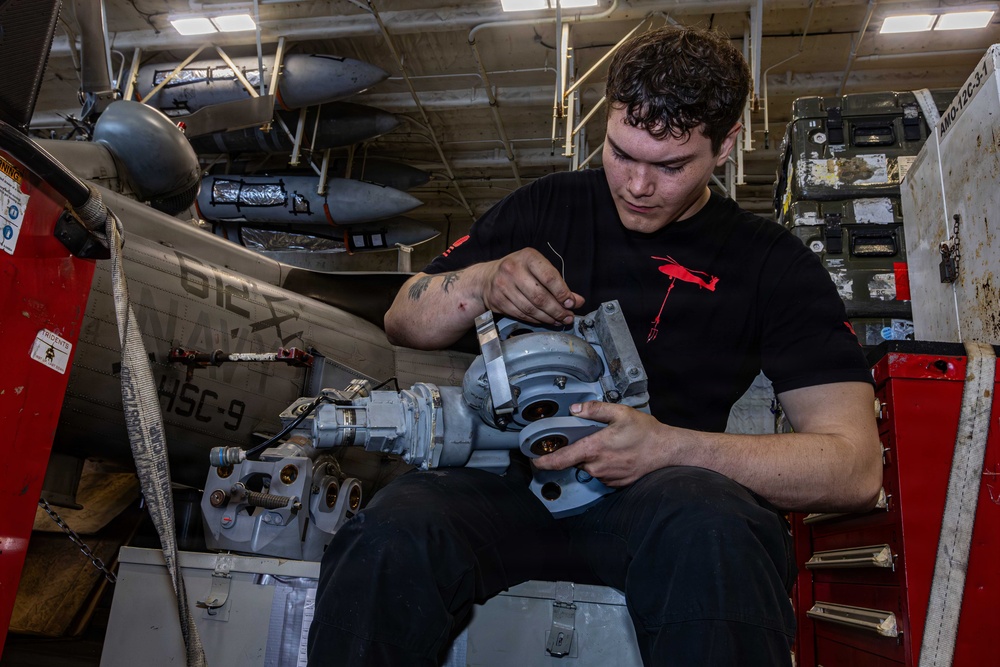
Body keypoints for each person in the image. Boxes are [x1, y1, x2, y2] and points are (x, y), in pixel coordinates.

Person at [308, 25, 882, 667]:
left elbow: (853, 468)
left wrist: (670, 446)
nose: (636, 185)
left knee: (720, 533)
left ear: (724, 147)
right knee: (388, 533)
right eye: (618, 153)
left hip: (667, 501)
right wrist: (481, 281)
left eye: (670, 167)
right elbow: (400, 320)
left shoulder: (771, 263)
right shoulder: (546, 207)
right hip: (508, 484)